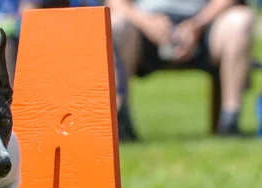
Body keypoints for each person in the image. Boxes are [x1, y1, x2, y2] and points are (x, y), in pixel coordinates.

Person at [108, 0, 255, 137]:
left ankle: (230, 121)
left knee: (241, 19)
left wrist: (198, 23)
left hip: (206, 24)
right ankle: (121, 121)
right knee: (115, 24)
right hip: (142, 28)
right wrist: (146, 22)